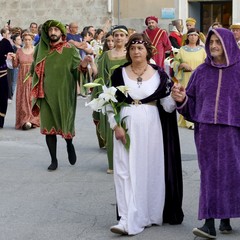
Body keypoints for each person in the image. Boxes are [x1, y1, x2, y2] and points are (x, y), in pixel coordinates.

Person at [109, 33, 184, 235]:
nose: (136, 52)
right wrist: (115, 125)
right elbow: (109, 103)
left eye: (140, 48)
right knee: (125, 171)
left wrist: (177, 97)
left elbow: (167, 107)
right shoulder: (118, 74)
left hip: (152, 127)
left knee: (150, 170)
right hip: (125, 125)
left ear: (148, 51)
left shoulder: (160, 74)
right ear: (128, 51)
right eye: (132, 48)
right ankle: (126, 218)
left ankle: (149, 214)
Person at [171, 27, 240, 239]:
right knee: (210, 174)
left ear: (228, 44)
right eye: (211, 43)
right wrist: (181, 99)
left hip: (233, 131)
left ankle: (226, 219)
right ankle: (209, 224)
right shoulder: (201, 71)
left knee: (232, 173)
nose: (213, 46)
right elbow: (189, 102)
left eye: (218, 42)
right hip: (206, 131)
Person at [30, 19, 92, 171]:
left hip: (65, 94)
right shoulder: (40, 49)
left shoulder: (70, 49)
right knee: (48, 127)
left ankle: (69, 144)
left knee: (66, 124)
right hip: (45, 94)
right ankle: (53, 160)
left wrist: (83, 65)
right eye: (50, 30)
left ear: (61, 33)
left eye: (56, 30)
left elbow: (77, 70)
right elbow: (33, 70)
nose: (52, 33)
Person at [93, 25, 128, 174]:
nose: (119, 38)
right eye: (116, 35)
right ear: (112, 38)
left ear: (126, 38)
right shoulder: (106, 55)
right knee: (112, 128)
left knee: (127, 127)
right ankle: (112, 164)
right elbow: (100, 76)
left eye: (122, 35)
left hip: (128, 95)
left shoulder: (131, 54)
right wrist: (101, 96)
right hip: (110, 95)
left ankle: (127, 162)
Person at [173, 28, 206, 129]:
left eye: (195, 35)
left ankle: (196, 119)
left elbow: (206, 64)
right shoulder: (182, 50)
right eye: (191, 35)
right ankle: (188, 122)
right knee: (186, 96)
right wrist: (181, 64)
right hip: (186, 77)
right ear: (187, 37)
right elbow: (175, 62)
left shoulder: (202, 50)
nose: (193, 37)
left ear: (198, 37)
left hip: (198, 77)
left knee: (197, 97)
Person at [10, 31, 40, 130]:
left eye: (29, 40)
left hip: (33, 77)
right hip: (22, 78)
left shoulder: (36, 50)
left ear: (32, 40)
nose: (27, 42)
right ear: (23, 40)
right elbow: (15, 65)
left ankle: (32, 120)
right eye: (25, 40)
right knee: (23, 99)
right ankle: (25, 120)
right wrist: (13, 58)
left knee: (31, 99)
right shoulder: (19, 51)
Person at [0, 28, 13, 128]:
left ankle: (0, 121)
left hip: (2, 73)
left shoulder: (5, 42)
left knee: (2, 97)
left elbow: (11, 54)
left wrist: (8, 56)